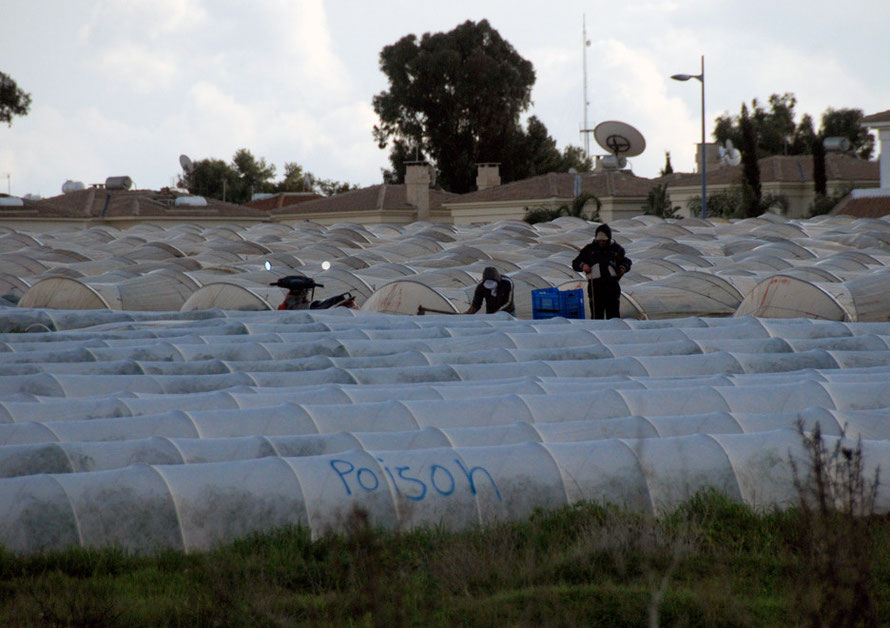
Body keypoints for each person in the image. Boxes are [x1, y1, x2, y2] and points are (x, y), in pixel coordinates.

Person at [571, 223, 631, 319]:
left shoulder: (616, 249)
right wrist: (583, 265)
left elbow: (626, 261)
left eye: (604, 240)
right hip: (595, 288)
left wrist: (623, 268)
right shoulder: (589, 249)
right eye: (599, 240)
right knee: (596, 316)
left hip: (612, 287)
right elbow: (576, 263)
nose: (601, 242)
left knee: (613, 317)